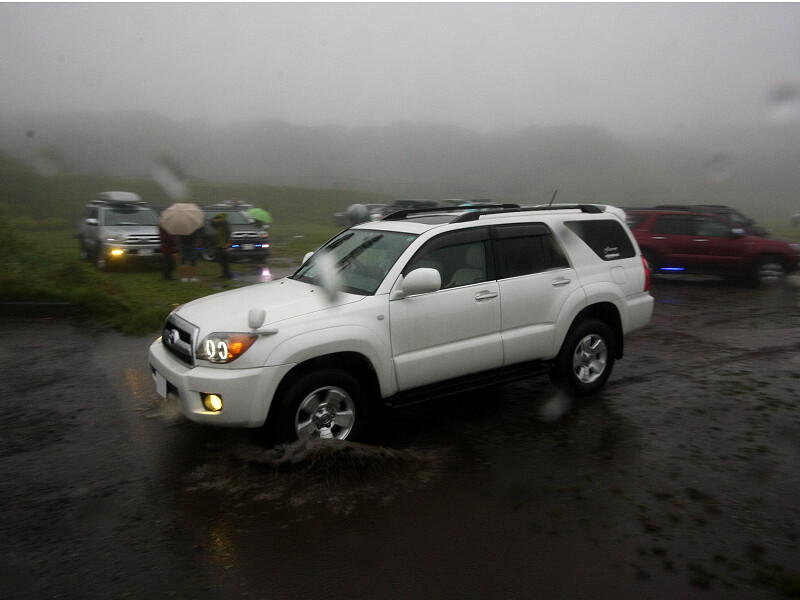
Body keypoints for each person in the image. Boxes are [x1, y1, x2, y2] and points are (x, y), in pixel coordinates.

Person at [210, 212, 232, 279]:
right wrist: (212, 221)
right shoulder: (220, 225)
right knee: (222, 261)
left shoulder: (224, 224)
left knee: (225, 260)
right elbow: (214, 226)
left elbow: (228, 234)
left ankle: (227, 275)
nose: (218, 219)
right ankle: (224, 274)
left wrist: (226, 244)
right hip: (220, 245)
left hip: (224, 245)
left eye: (219, 218)